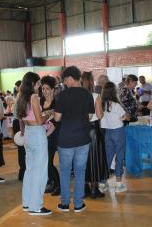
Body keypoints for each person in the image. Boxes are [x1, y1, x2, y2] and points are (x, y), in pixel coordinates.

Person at [54, 66, 95, 213]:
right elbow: (90, 116)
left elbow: (57, 118)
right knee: (80, 171)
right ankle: (78, 204)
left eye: (65, 80)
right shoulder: (87, 94)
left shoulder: (62, 95)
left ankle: (65, 203)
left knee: (65, 171)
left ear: (70, 78)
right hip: (83, 138)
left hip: (65, 139)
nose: (64, 83)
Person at [17, 72, 53, 216]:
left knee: (30, 170)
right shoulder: (34, 97)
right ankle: (36, 206)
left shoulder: (21, 97)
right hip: (37, 133)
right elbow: (39, 120)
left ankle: (27, 203)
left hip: (28, 134)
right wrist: (49, 113)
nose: (39, 86)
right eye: (38, 83)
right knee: (40, 172)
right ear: (33, 83)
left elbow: (22, 118)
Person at [81, 72, 108, 199]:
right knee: (95, 158)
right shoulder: (95, 96)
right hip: (93, 130)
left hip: (80, 130)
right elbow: (100, 115)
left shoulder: (78, 96)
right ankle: (94, 188)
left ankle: (85, 187)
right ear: (92, 81)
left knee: (83, 159)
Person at [97, 81, 127, 192]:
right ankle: (118, 184)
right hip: (118, 132)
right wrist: (126, 116)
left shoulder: (101, 104)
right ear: (114, 92)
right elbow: (124, 117)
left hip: (107, 132)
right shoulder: (116, 105)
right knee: (120, 156)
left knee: (107, 157)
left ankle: (102, 183)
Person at [40, 75, 61, 196]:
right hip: (43, 134)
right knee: (44, 161)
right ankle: (52, 183)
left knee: (48, 161)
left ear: (53, 89)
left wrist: (45, 135)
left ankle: (58, 185)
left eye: (47, 88)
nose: (45, 91)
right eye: (43, 89)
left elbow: (55, 122)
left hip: (53, 134)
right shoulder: (41, 101)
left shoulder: (56, 102)